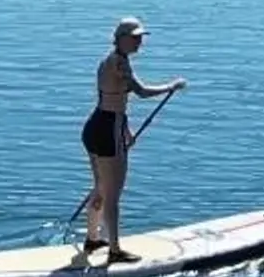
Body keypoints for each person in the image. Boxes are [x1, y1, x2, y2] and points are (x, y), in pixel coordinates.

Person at [79, 19, 185, 264]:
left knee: (100, 188)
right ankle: (114, 250)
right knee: (113, 195)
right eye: (135, 38)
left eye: (141, 38)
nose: (140, 42)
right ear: (121, 38)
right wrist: (172, 87)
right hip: (107, 131)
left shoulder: (106, 61)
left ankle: (92, 238)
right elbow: (141, 92)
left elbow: (112, 103)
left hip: (95, 127)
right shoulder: (120, 63)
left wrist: (125, 133)